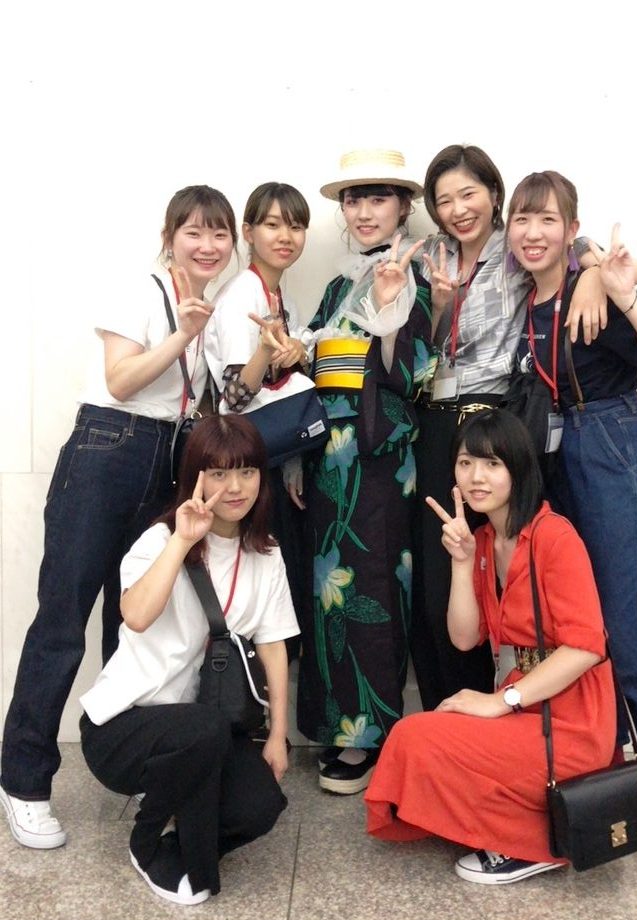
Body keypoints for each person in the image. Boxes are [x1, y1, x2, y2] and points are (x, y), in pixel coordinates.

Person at [0, 185, 237, 850]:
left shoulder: (211, 309)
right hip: (107, 449)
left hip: (167, 458)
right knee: (62, 622)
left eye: (220, 234)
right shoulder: (139, 289)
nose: (208, 245)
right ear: (170, 237)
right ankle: (24, 780)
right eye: (194, 232)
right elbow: (121, 380)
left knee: (134, 622)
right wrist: (183, 334)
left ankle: (124, 761)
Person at [506, 170, 637, 869]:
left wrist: (618, 288)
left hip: (614, 449)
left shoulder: (595, 288)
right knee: (579, 629)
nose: (533, 233)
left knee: (629, 632)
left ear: (571, 226)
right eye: (522, 219)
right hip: (554, 461)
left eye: (548, 220)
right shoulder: (524, 298)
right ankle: (611, 771)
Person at [365, 408, 616, 885]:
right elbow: (464, 637)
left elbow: (586, 647)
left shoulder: (554, 537)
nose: (476, 477)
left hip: (570, 723)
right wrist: (461, 563)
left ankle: (534, 844)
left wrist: (502, 701)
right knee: (416, 737)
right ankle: (516, 822)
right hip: (527, 710)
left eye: (492, 464)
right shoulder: (484, 541)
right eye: (465, 463)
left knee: (417, 739)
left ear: (518, 469)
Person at [411, 144, 609, 711]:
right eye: (444, 200)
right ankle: (442, 717)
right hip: (435, 424)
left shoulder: (517, 247)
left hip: (492, 426)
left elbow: (587, 250)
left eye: (468, 194)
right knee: (435, 580)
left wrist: (593, 275)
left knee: (491, 574)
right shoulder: (431, 256)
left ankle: (490, 708)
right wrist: (439, 305)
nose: (458, 209)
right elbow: (419, 345)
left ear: (494, 194)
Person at [78, 415, 294, 905]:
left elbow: (274, 643)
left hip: (204, 732)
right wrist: (182, 540)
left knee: (262, 805)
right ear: (195, 477)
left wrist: (278, 734)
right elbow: (135, 616)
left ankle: (183, 830)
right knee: (202, 729)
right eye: (218, 473)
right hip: (123, 728)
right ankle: (148, 842)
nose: (235, 488)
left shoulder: (266, 554)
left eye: (246, 472)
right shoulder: (159, 541)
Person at [296, 150, 437, 794]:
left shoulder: (417, 276)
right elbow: (318, 375)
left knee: (374, 581)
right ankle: (334, 722)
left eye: (378, 198)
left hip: (377, 456)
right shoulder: (335, 287)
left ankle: (370, 731)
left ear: (403, 207)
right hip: (330, 454)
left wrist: (389, 314)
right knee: (330, 584)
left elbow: (415, 373)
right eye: (353, 199)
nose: (363, 211)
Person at [204, 182, 311, 656]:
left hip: (267, 457)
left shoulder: (277, 294)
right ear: (248, 232)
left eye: (296, 226)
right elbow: (234, 396)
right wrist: (268, 351)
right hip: (244, 463)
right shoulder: (242, 294)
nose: (285, 236)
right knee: (252, 594)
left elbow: (280, 384)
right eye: (272, 224)